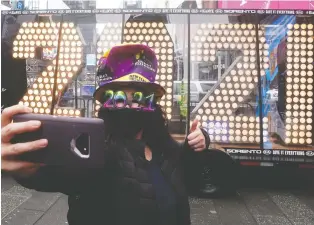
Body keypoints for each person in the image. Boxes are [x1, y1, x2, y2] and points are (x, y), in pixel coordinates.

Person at [1, 43, 210, 225]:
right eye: (118, 98)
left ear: (152, 102)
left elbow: (189, 180)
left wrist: (199, 143)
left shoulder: (165, 146)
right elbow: (61, 176)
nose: (130, 106)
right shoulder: (96, 152)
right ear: (106, 103)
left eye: (140, 97)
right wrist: (24, 166)